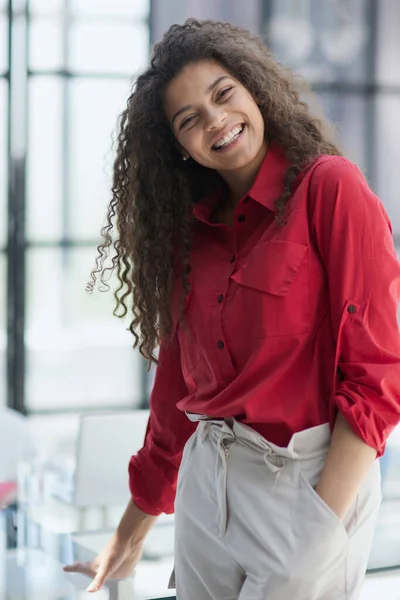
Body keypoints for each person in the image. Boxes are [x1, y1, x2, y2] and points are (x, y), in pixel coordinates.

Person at [64, 18, 400, 600]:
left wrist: (321, 527)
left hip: (307, 486)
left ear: (254, 89)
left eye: (223, 95)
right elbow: (175, 390)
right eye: (189, 119)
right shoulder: (187, 236)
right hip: (207, 491)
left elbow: (378, 375)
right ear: (179, 147)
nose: (215, 120)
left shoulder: (330, 190)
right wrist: (130, 535)